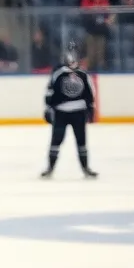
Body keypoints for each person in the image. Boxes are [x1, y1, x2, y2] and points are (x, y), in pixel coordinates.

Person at [41, 44, 97, 178]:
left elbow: (90, 94)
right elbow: (50, 92)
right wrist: (48, 108)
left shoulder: (83, 75)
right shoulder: (59, 74)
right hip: (61, 113)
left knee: (81, 142)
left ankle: (85, 168)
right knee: (56, 141)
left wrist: (90, 109)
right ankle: (50, 168)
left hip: (78, 113)